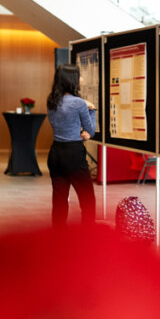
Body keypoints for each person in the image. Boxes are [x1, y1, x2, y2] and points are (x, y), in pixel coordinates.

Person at [46, 64, 97, 227]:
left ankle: (58, 239)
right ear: (71, 80)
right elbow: (90, 130)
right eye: (79, 76)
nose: (81, 79)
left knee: (59, 200)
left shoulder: (51, 101)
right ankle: (87, 238)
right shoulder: (79, 103)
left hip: (55, 153)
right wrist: (93, 109)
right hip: (73, 154)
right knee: (87, 199)